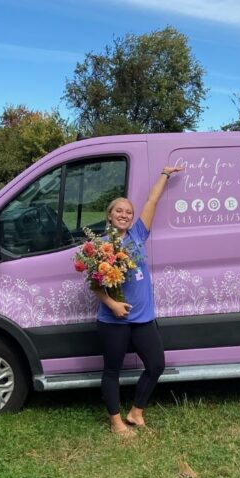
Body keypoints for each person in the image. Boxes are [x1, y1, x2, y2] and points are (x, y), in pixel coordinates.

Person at [92, 165, 183, 435]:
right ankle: (116, 422)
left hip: (143, 318)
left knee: (156, 365)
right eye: (119, 210)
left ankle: (136, 411)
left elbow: (152, 200)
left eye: (128, 212)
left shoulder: (138, 234)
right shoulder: (101, 246)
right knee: (112, 371)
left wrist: (165, 174)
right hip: (113, 320)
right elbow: (94, 285)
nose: (124, 214)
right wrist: (113, 305)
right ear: (109, 215)